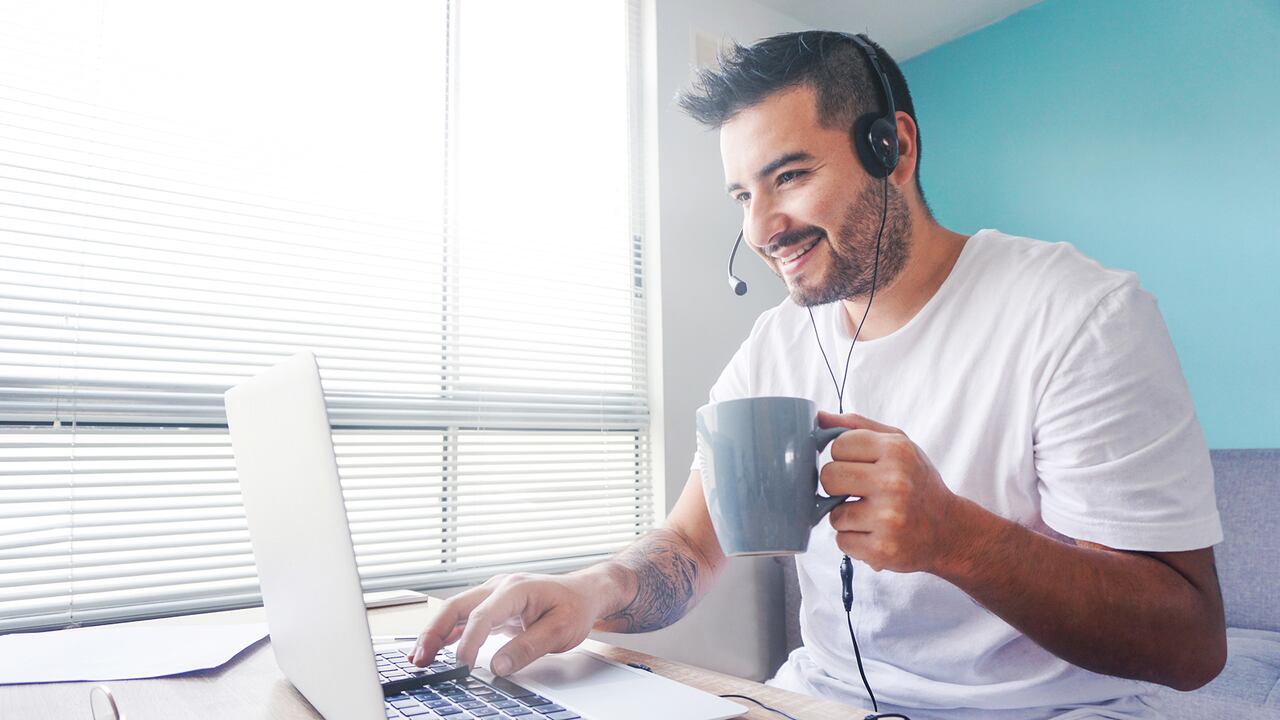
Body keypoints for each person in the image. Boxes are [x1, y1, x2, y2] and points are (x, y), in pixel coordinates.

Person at [411, 31, 1227, 719]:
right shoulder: (774, 344)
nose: (761, 228)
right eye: (742, 193)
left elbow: (1190, 643)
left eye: (790, 176)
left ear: (893, 149)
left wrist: (959, 539)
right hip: (816, 702)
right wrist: (590, 591)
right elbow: (691, 548)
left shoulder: (1079, 315)